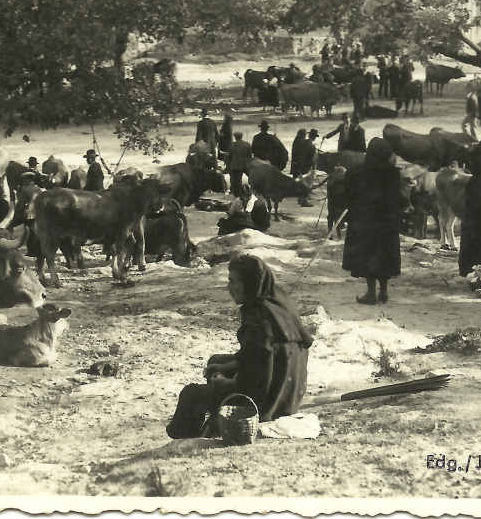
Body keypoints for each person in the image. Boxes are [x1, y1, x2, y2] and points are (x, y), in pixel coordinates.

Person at [166, 254, 312, 438]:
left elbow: (256, 382)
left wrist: (225, 383)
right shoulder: (276, 304)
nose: (229, 287)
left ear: (250, 283)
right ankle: (215, 421)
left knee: (191, 394)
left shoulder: (259, 321)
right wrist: (225, 367)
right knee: (217, 361)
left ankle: (186, 440)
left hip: (269, 403)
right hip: (289, 393)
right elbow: (260, 357)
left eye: (233, 281)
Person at [343, 138, 404, 305]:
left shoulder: (358, 172)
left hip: (365, 222)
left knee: (367, 257)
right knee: (385, 256)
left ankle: (371, 293)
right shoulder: (393, 173)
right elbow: (399, 198)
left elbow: (348, 195)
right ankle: (383, 292)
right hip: (387, 223)